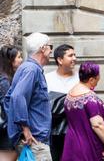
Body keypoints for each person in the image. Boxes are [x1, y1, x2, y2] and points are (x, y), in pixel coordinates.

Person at [4, 32, 53, 160]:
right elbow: (17, 97)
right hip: (35, 141)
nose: (51, 51)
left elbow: (8, 99)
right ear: (43, 48)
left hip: (33, 139)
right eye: (50, 47)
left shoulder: (26, 68)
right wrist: (25, 129)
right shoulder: (31, 69)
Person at [61, 61, 104, 161]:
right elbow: (97, 125)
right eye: (98, 77)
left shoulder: (70, 94)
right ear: (91, 79)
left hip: (71, 144)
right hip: (88, 147)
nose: (99, 79)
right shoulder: (90, 98)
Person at [45, 44, 79, 161]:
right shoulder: (47, 78)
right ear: (60, 60)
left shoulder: (80, 79)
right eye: (70, 55)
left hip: (76, 132)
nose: (74, 58)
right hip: (53, 133)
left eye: (75, 55)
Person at [0, 46, 23, 161]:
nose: (21, 59)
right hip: (5, 132)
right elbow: (8, 108)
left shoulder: (9, 78)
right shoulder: (4, 81)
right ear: (11, 60)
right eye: (19, 57)